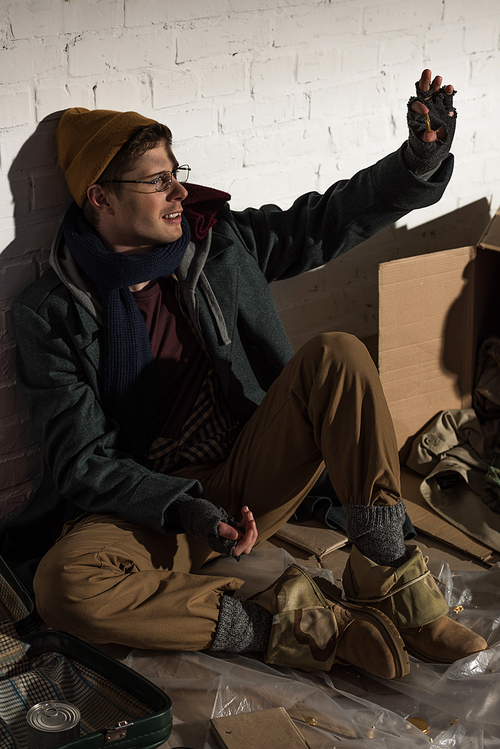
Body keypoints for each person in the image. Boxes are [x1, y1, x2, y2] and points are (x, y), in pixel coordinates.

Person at [6, 69, 487, 679]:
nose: (180, 194)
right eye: (158, 182)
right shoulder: (49, 315)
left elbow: (324, 222)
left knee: (336, 353)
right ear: (100, 197)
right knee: (62, 587)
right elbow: (82, 463)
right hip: (154, 512)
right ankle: (300, 626)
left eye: (175, 175)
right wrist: (187, 509)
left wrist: (416, 162)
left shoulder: (218, 243)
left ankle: (391, 582)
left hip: (250, 476)